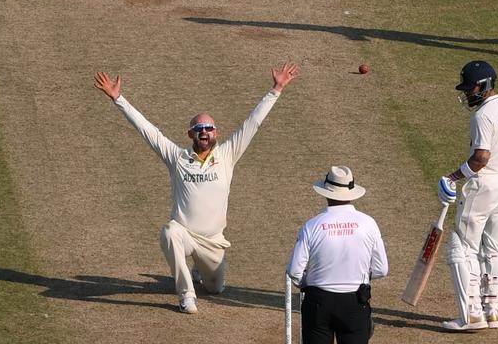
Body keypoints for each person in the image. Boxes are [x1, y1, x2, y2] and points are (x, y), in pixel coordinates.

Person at [93, 62, 300, 314]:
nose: (204, 132)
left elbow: (252, 124)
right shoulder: (177, 157)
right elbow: (147, 130)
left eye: (209, 128)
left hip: (213, 242)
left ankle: (200, 270)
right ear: (191, 133)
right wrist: (118, 99)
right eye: (199, 128)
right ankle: (186, 295)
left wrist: (276, 89)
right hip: (185, 234)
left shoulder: (227, 155)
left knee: (216, 289)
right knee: (169, 232)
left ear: (216, 133)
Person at [438, 60, 498, 331]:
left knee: (461, 248)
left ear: (485, 85)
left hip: (484, 184)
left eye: (471, 88)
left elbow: (481, 157)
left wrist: (453, 177)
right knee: (494, 248)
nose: (467, 94)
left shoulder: (482, 116)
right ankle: (493, 312)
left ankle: (471, 315)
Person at [286, 166, 389, 344]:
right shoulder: (369, 223)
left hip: (318, 302)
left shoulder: (311, 226)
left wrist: (307, 283)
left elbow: (295, 271)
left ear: (326, 193)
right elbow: (381, 269)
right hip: (355, 302)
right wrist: (359, 275)